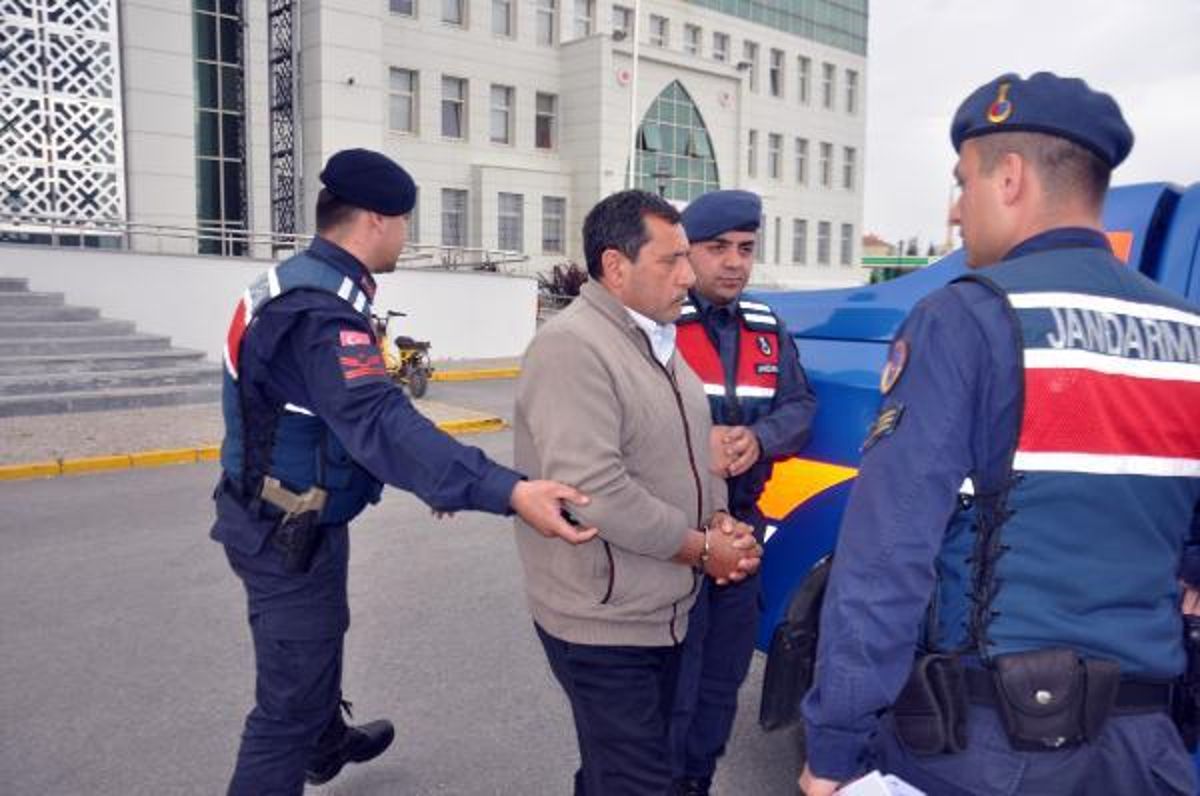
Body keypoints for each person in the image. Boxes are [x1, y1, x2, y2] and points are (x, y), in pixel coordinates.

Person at [799, 72, 1200, 796]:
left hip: (989, 747)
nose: (956, 210)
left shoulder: (968, 318)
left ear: (1010, 177)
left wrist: (834, 745)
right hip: (1147, 751)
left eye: (964, 183)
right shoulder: (1187, 333)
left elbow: (887, 554)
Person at [212, 147, 596, 796]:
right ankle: (307, 735)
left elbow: (333, 418)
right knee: (285, 706)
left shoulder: (304, 281)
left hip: (296, 513)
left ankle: (324, 742)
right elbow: (378, 420)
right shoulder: (320, 311)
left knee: (319, 633)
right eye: (404, 222)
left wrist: (431, 478)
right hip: (282, 525)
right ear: (375, 220)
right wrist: (504, 489)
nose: (405, 236)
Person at [513, 189, 763, 796]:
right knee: (637, 781)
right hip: (604, 626)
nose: (688, 275)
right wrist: (703, 549)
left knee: (619, 773)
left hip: (663, 613)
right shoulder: (573, 347)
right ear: (615, 266)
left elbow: (690, 451)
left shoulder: (656, 340)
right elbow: (594, 490)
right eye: (671, 260)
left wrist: (720, 518)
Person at [669, 189, 817, 795]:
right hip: (672, 533)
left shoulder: (766, 327)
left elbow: (801, 406)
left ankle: (694, 784)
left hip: (743, 526)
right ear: (688, 251)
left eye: (746, 248)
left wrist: (759, 439)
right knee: (666, 685)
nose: (734, 262)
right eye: (718, 248)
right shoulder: (659, 323)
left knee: (720, 683)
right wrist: (696, 441)